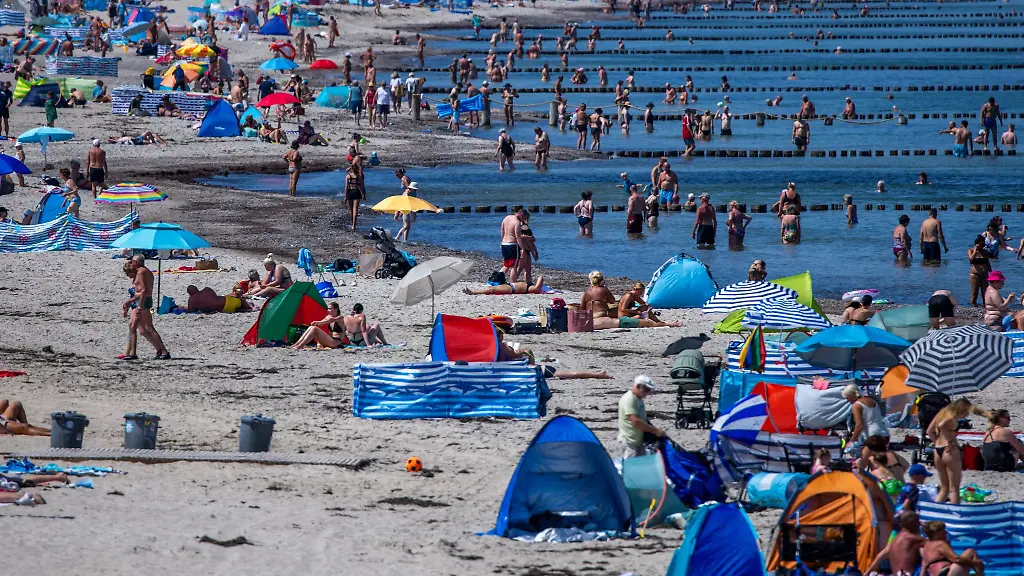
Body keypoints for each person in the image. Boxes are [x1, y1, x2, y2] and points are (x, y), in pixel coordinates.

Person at [929, 398, 990, 504]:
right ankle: (956, 517)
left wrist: (938, 443)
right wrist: (951, 441)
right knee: (954, 489)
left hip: (937, 450)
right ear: (961, 409)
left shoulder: (941, 412)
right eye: (966, 412)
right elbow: (942, 425)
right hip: (950, 451)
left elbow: (929, 431)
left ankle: (934, 512)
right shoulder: (952, 417)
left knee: (944, 489)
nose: (966, 415)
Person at [120, 256, 170, 360]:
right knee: (141, 330)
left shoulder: (142, 272)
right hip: (139, 302)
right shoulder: (140, 271)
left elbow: (142, 291)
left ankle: (163, 351)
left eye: (132, 261)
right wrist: (130, 303)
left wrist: (139, 307)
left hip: (143, 302)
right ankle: (158, 350)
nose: (131, 262)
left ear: (136, 262)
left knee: (148, 327)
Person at [618, 375, 666, 459]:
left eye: (649, 390)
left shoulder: (638, 399)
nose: (648, 393)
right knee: (631, 467)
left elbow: (643, 419)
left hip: (639, 442)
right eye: (646, 390)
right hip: (630, 442)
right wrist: (654, 430)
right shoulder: (629, 399)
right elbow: (636, 422)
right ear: (638, 386)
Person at [921, 521, 985, 576]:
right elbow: (957, 559)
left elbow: (923, 568)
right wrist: (975, 563)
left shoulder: (926, 546)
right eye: (942, 531)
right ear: (936, 533)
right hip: (946, 573)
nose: (946, 532)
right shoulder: (940, 544)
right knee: (971, 551)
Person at [499, 209, 527, 282]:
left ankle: (497, 279)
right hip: (512, 245)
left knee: (506, 264)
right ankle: (513, 283)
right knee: (514, 266)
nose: (523, 220)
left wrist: (501, 242)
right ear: (521, 214)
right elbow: (518, 236)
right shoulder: (517, 222)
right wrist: (522, 249)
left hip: (504, 243)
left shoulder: (506, 218)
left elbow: (502, 231)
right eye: (523, 218)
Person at [464, 275, 547, 296]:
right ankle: (474, 292)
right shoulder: (530, 285)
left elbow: (537, 288)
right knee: (491, 288)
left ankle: (474, 292)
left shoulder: (532, 288)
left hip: (512, 289)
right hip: (510, 286)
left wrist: (540, 277)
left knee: (491, 290)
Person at [969, 235, 992, 306]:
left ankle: (985, 305)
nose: (982, 246)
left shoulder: (985, 252)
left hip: (984, 275)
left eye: (983, 244)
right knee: (974, 293)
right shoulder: (971, 251)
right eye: (981, 245)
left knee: (985, 292)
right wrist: (975, 251)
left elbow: (988, 263)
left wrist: (991, 273)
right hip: (974, 275)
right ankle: (973, 306)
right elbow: (971, 259)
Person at [344, 162, 365, 229]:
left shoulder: (348, 176)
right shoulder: (359, 176)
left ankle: (352, 223)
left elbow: (346, 187)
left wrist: (345, 196)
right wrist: (363, 194)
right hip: (356, 191)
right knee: (355, 209)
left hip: (350, 192)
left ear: (352, 169)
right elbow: (361, 186)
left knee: (351, 210)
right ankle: (354, 225)